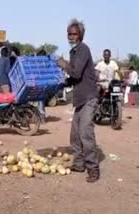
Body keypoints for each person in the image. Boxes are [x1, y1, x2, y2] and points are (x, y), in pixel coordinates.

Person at [57, 19, 100, 183]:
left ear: (80, 35)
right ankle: (80, 164)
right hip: (80, 99)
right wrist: (63, 83)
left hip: (89, 97)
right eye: (69, 34)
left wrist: (63, 64)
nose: (71, 37)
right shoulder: (73, 52)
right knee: (75, 135)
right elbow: (75, 78)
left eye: (74, 34)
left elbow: (75, 72)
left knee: (85, 133)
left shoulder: (83, 49)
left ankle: (93, 169)